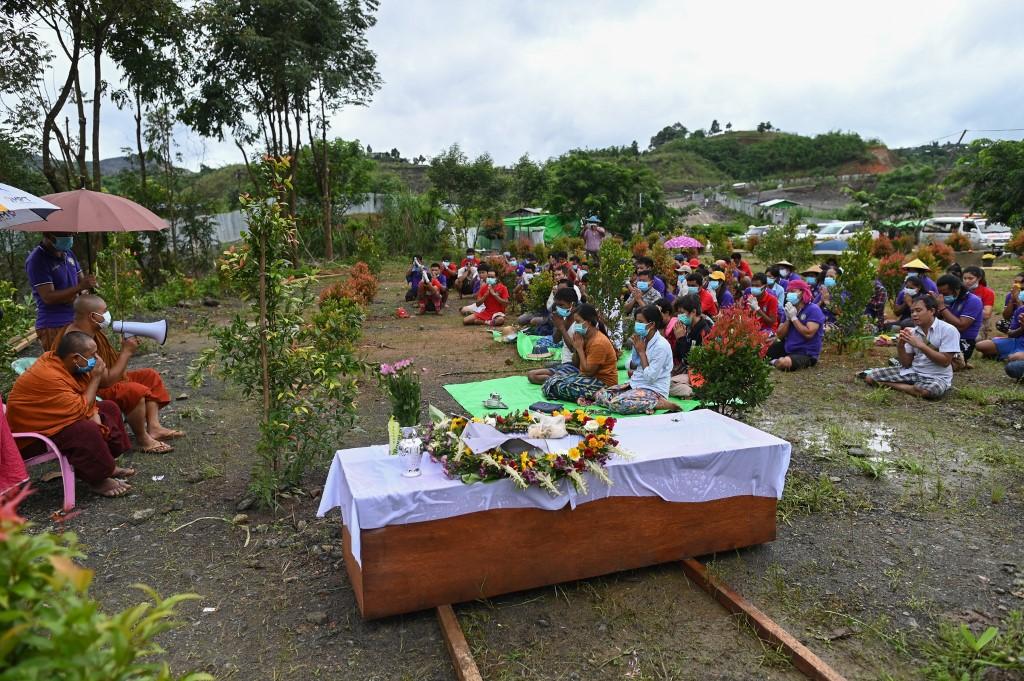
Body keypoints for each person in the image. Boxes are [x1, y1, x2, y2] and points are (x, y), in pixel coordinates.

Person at [6, 331, 134, 497]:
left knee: (108, 407)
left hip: (55, 420)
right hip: (30, 439)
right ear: (75, 358)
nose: (96, 359)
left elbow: (83, 400)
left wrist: (93, 410)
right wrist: (95, 379)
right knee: (84, 430)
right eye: (92, 355)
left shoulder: (65, 363)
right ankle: (98, 480)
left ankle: (107, 465)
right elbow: (79, 409)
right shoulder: (49, 375)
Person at [52, 295, 181, 453]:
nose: (107, 315)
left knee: (149, 375)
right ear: (93, 316)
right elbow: (105, 381)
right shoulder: (77, 341)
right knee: (133, 391)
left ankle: (154, 427)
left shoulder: (91, 330)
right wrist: (126, 352)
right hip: (89, 388)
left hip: (101, 379)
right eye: (104, 311)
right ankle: (143, 438)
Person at [858, 296, 960, 399]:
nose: (914, 314)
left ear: (932, 311)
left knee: (928, 391)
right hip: (913, 372)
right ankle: (912, 388)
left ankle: (892, 384)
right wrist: (900, 346)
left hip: (936, 377)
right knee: (870, 377)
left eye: (918, 310)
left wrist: (920, 345)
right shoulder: (912, 332)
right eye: (912, 312)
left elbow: (945, 361)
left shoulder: (948, 330)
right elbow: (906, 364)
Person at [594, 305, 678, 414]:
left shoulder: (661, 346)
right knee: (599, 395)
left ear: (652, 324)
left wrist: (642, 353)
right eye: (636, 321)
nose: (637, 325)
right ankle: (642, 404)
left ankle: (657, 403)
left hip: (653, 389)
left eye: (640, 321)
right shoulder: (641, 338)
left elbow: (650, 377)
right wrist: (637, 352)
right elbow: (628, 365)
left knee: (617, 404)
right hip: (635, 385)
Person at [25, 232, 97, 351]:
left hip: (77, 319)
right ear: (49, 235)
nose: (70, 238)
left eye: (71, 234)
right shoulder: (36, 260)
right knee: (61, 366)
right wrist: (79, 287)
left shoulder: (68, 253)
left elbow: (82, 282)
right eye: (66, 234)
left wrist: (86, 287)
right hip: (54, 325)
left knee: (84, 363)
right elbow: (48, 297)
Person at [541, 304, 618, 403]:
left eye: (578, 321)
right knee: (551, 381)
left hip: (604, 383)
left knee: (558, 386)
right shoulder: (583, 336)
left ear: (588, 323)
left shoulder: (598, 342)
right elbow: (576, 363)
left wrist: (580, 349)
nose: (576, 325)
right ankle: (588, 395)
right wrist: (577, 349)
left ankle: (597, 395)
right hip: (588, 377)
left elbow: (589, 372)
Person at [767, 279, 825, 371]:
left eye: (793, 291)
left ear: (802, 293)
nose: (789, 294)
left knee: (784, 363)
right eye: (788, 291)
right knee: (762, 351)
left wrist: (794, 318)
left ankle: (775, 362)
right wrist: (788, 319)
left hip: (806, 353)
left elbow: (809, 334)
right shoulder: (789, 308)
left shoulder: (813, 309)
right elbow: (780, 335)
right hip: (788, 349)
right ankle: (775, 361)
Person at [527, 288, 579, 384]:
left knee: (536, 376)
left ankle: (561, 381)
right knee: (531, 374)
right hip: (564, 363)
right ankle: (560, 380)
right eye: (557, 305)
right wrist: (559, 326)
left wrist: (562, 328)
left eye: (561, 305)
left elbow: (574, 349)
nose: (559, 308)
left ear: (573, 305)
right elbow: (555, 340)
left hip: (574, 365)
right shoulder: (564, 317)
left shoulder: (579, 323)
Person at [668, 294, 712, 397]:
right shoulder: (688, 327)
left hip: (698, 374)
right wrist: (679, 339)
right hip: (686, 371)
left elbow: (690, 360)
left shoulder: (704, 332)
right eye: (678, 313)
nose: (680, 316)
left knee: (668, 384)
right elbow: (678, 356)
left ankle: (695, 392)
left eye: (682, 313)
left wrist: (681, 339)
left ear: (693, 312)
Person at [933, 274, 983, 361]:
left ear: (957, 289)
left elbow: (961, 326)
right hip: (945, 338)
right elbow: (937, 319)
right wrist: (933, 305)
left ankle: (960, 362)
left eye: (945, 293)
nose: (942, 296)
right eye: (940, 293)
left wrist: (941, 307)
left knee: (944, 362)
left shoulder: (973, 301)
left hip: (963, 340)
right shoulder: (952, 299)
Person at [976, 286, 1024, 361]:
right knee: (980, 345)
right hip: (1018, 342)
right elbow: (1011, 334)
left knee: (1015, 357)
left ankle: (1008, 356)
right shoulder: (1021, 310)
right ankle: (1008, 355)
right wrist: (1021, 329)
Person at [961, 266, 995, 339]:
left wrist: (969, 310)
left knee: (975, 338)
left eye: (970, 278)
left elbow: (987, 314)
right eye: (964, 278)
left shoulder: (987, 292)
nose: (967, 281)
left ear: (979, 278)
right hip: (961, 320)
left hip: (979, 322)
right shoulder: (959, 290)